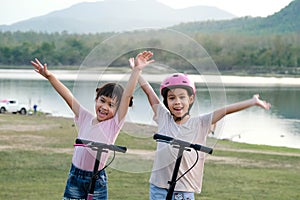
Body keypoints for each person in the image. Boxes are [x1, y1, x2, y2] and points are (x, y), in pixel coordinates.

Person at [129, 57, 271, 200]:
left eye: (182, 97)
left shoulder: (200, 123)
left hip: (183, 191)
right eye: (171, 98)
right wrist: (137, 70)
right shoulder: (163, 117)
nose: (177, 102)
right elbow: (148, 91)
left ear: (190, 99)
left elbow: (225, 110)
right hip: (158, 188)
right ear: (166, 101)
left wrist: (253, 102)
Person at [31, 51, 154, 200]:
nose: (104, 107)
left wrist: (136, 70)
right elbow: (67, 96)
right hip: (75, 176)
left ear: (118, 109)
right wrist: (50, 76)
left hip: (96, 179)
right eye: (102, 101)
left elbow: (127, 95)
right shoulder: (84, 117)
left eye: (111, 105)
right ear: (96, 99)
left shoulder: (114, 124)